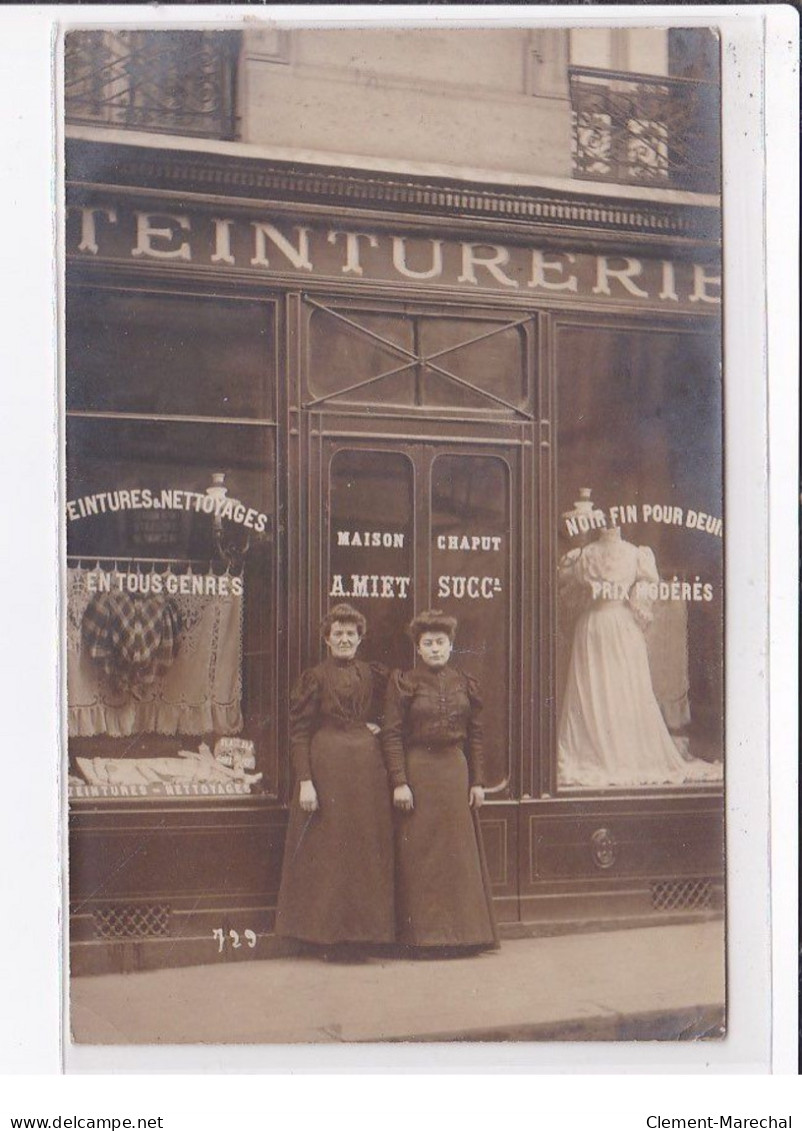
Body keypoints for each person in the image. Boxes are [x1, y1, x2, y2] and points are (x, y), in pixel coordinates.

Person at [557, 525, 722, 787]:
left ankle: (622, 752)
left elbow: (644, 592)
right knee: (594, 690)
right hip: (606, 627)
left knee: (624, 689)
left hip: (607, 626)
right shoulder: (587, 555)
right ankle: (598, 749)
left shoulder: (634, 555)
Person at [275, 603, 395, 954]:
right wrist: (306, 781)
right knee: (329, 853)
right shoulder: (314, 678)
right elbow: (298, 733)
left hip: (366, 776)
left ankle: (363, 936)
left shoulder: (374, 675)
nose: (344, 639)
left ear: (360, 639)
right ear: (327, 639)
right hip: (326, 771)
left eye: (350, 634)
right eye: (337, 634)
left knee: (362, 851)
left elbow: (399, 711)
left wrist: (380, 725)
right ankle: (325, 936)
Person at [381, 610, 498, 954]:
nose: (435, 648)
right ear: (418, 648)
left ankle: (462, 936)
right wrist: (399, 781)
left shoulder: (464, 683)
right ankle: (422, 939)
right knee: (422, 855)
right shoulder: (405, 682)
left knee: (456, 856)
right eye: (427, 643)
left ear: (451, 646)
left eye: (440, 642)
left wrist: (478, 782)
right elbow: (391, 735)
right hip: (419, 771)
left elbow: (476, 735)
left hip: (454, 772)